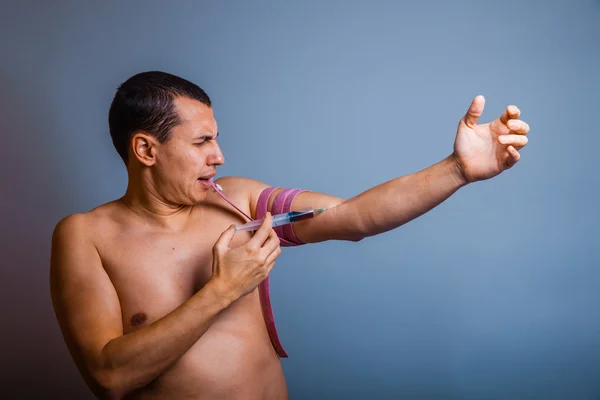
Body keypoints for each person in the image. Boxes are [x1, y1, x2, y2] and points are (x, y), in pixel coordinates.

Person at [50, 71, 530, 399]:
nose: (219, 156)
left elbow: (357, 217)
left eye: (215, 138)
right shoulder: (85, 236)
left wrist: (457, 170)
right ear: (145, 149)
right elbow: (110, 378)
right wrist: (224, 290)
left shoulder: (234, 200)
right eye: (201, 142)